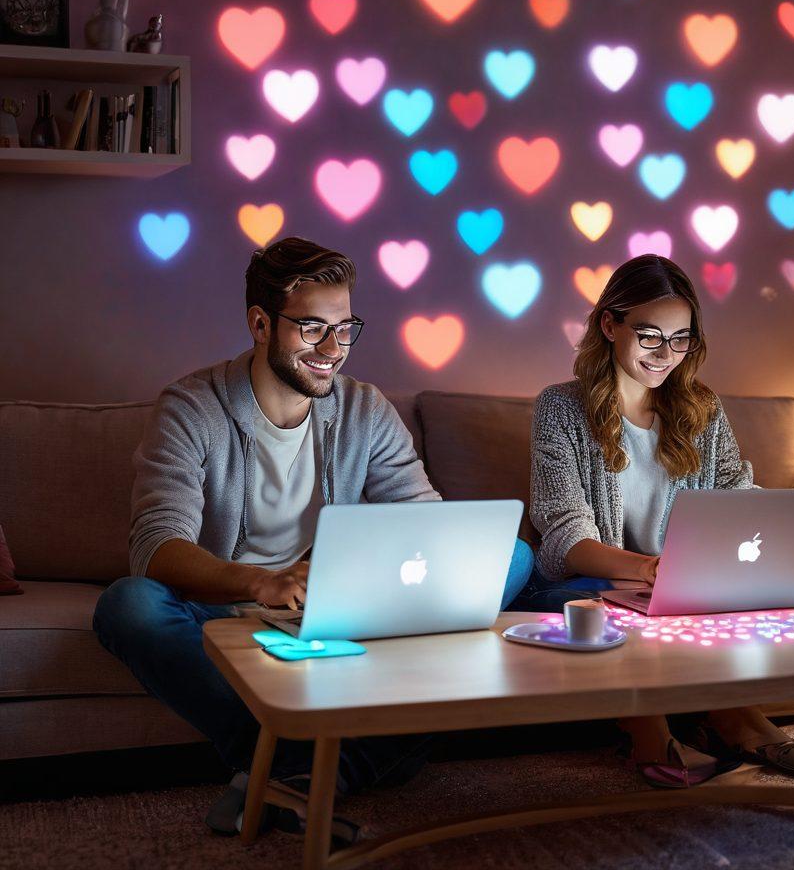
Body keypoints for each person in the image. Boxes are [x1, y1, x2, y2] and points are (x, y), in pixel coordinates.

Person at [94, 237, 534, 833]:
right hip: (218, 612)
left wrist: (382, 584)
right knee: (129, 605)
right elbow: (156, 546)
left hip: (329, 613)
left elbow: (426, 523)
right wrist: (260, 582)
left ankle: (282, 777)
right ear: (259, 323)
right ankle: (333, 763)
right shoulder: (190, 407)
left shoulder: (365, 410)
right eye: (311, 329)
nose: (333, 349)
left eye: (345, 328)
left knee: (513, 557)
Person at [522, 254, 794, 788]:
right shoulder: (561, 408)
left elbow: (738, 495)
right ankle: (686, 717)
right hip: (602, 585)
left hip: (696, 591)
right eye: (650, 336)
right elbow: (565, 535)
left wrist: (771, 536)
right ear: (610, 324)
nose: (666, 354)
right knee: (568, 606)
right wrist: (648, 571)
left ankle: (722, 707)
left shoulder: (702, 409)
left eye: (680, 338)